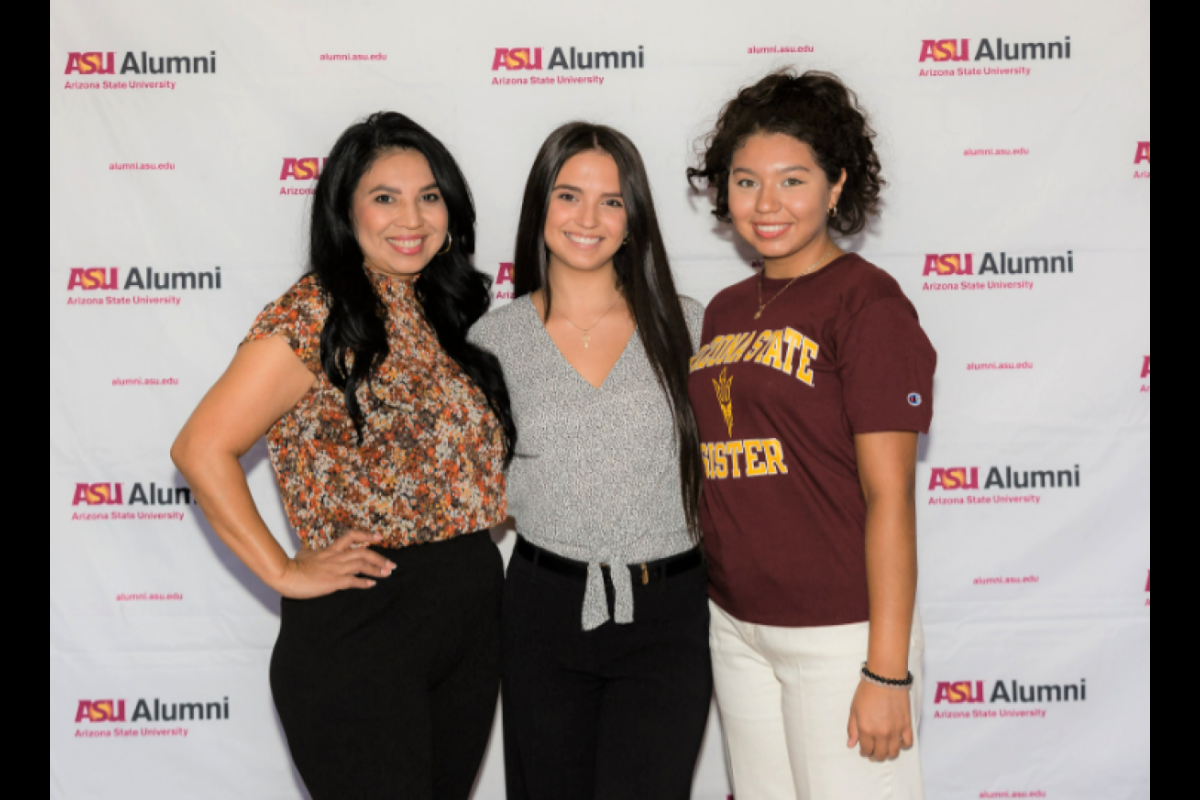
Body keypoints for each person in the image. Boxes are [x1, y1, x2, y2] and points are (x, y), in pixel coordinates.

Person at [171, 112, 516, 800]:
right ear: (345, 211)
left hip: (469, 622)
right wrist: (281, 570)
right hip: (365, 630)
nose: (410, 217)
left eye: (429, 195)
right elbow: (200, 447)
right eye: (384, 197)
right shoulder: (318, 313)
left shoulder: (443, 315)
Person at [686, 71, 938, 799]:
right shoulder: (726, 310)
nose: (767, 205)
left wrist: (886, 667)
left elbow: (889, 496)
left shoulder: (868, 304)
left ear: (836, 187)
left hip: (842, 635)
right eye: (745, 181)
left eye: (793, 180)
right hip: (736, 625)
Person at [469, 122, 712, 800]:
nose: (588, 218)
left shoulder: (688, 325)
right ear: (540, 207)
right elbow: (462, 483)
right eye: (569, 196)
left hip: (668, 611)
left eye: (610, 201)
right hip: (543, 611)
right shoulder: (493, 339)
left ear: (634, 217)